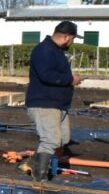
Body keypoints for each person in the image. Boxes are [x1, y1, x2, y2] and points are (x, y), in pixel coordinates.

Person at [24, 21, 82, 182]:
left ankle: (33, 163)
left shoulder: (56, 51)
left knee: (63, 138)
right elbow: (47, 75)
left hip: (57, 104)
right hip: (44, 103)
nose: (72, 42)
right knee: (50, 140)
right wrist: (70, 79)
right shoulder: (44, 50)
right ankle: (39, 177)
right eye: (73, 39)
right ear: (67, 37)